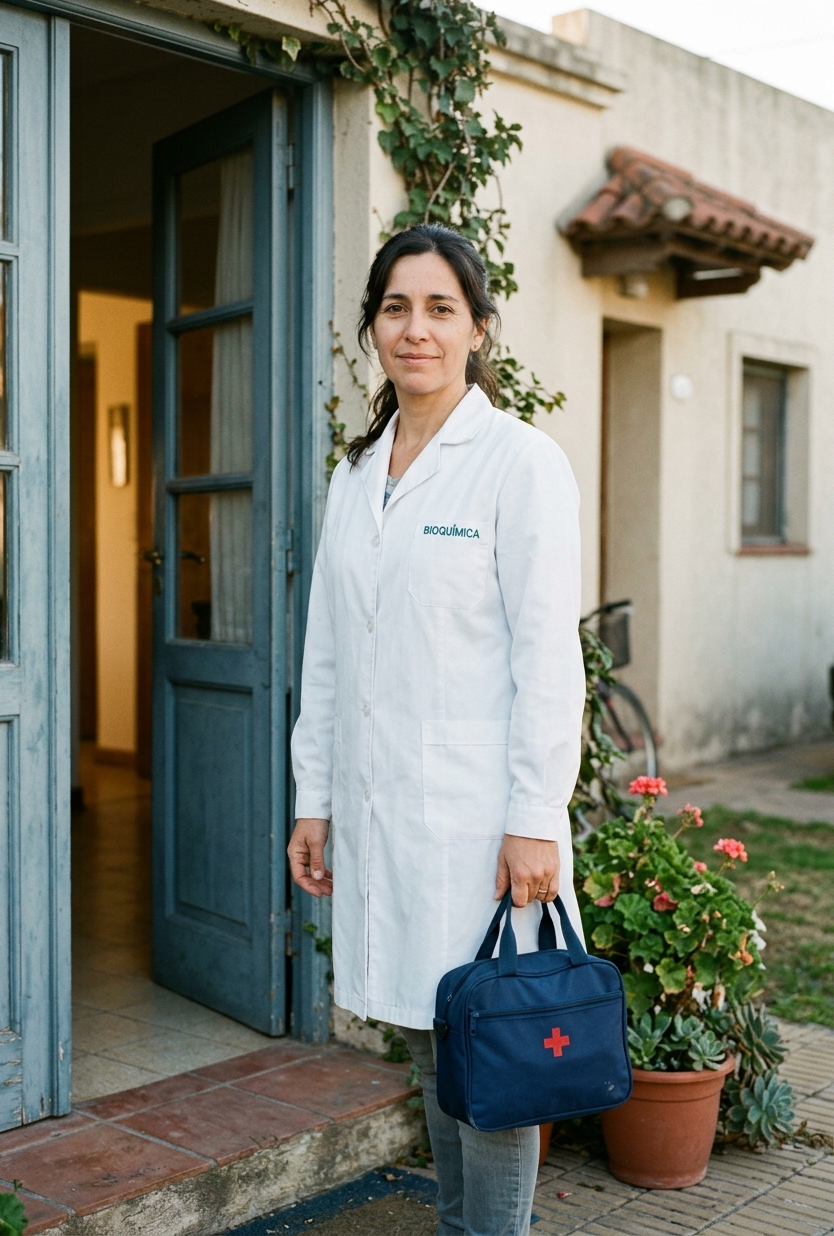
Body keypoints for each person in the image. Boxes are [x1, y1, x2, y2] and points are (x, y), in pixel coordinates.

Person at [287, 224, 586, 1236]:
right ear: (373, 326)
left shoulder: (517, 464)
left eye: (438, 308)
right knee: (426, 1033)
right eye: (395, 308)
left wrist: (535, 816)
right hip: (380, 810)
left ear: (477, 328)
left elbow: (547, 658)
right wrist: (312, 798)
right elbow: (327, 650)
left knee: (489, 1050)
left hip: (477, 822)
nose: (414, 329)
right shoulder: (356, 473)